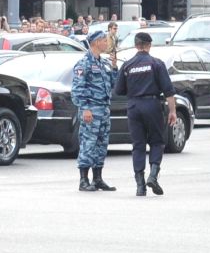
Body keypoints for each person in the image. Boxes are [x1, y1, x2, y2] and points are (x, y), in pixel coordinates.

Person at [114, 31, 175, 197]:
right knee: (157, 141)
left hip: (133, 106)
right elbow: (168, 91)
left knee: (138, 145)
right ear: (149, 45)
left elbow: (119, 90)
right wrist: (173, 111)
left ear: (136, 45)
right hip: (152, 104)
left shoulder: (127, 65)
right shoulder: (156, 63)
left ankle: (140, 186)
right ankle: (153, 176)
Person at [71, 29, 117, 192]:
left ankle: (97, 178)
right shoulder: (84, 63)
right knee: (88, 143)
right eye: (104, 40)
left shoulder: (102, 63)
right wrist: (85, 108)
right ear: (96, 42)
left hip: (103, 110)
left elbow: (112, 85)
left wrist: (114, 67)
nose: (106, 43)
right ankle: (83, 180)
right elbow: (77, 89)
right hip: (91, 109)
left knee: (101, 144)